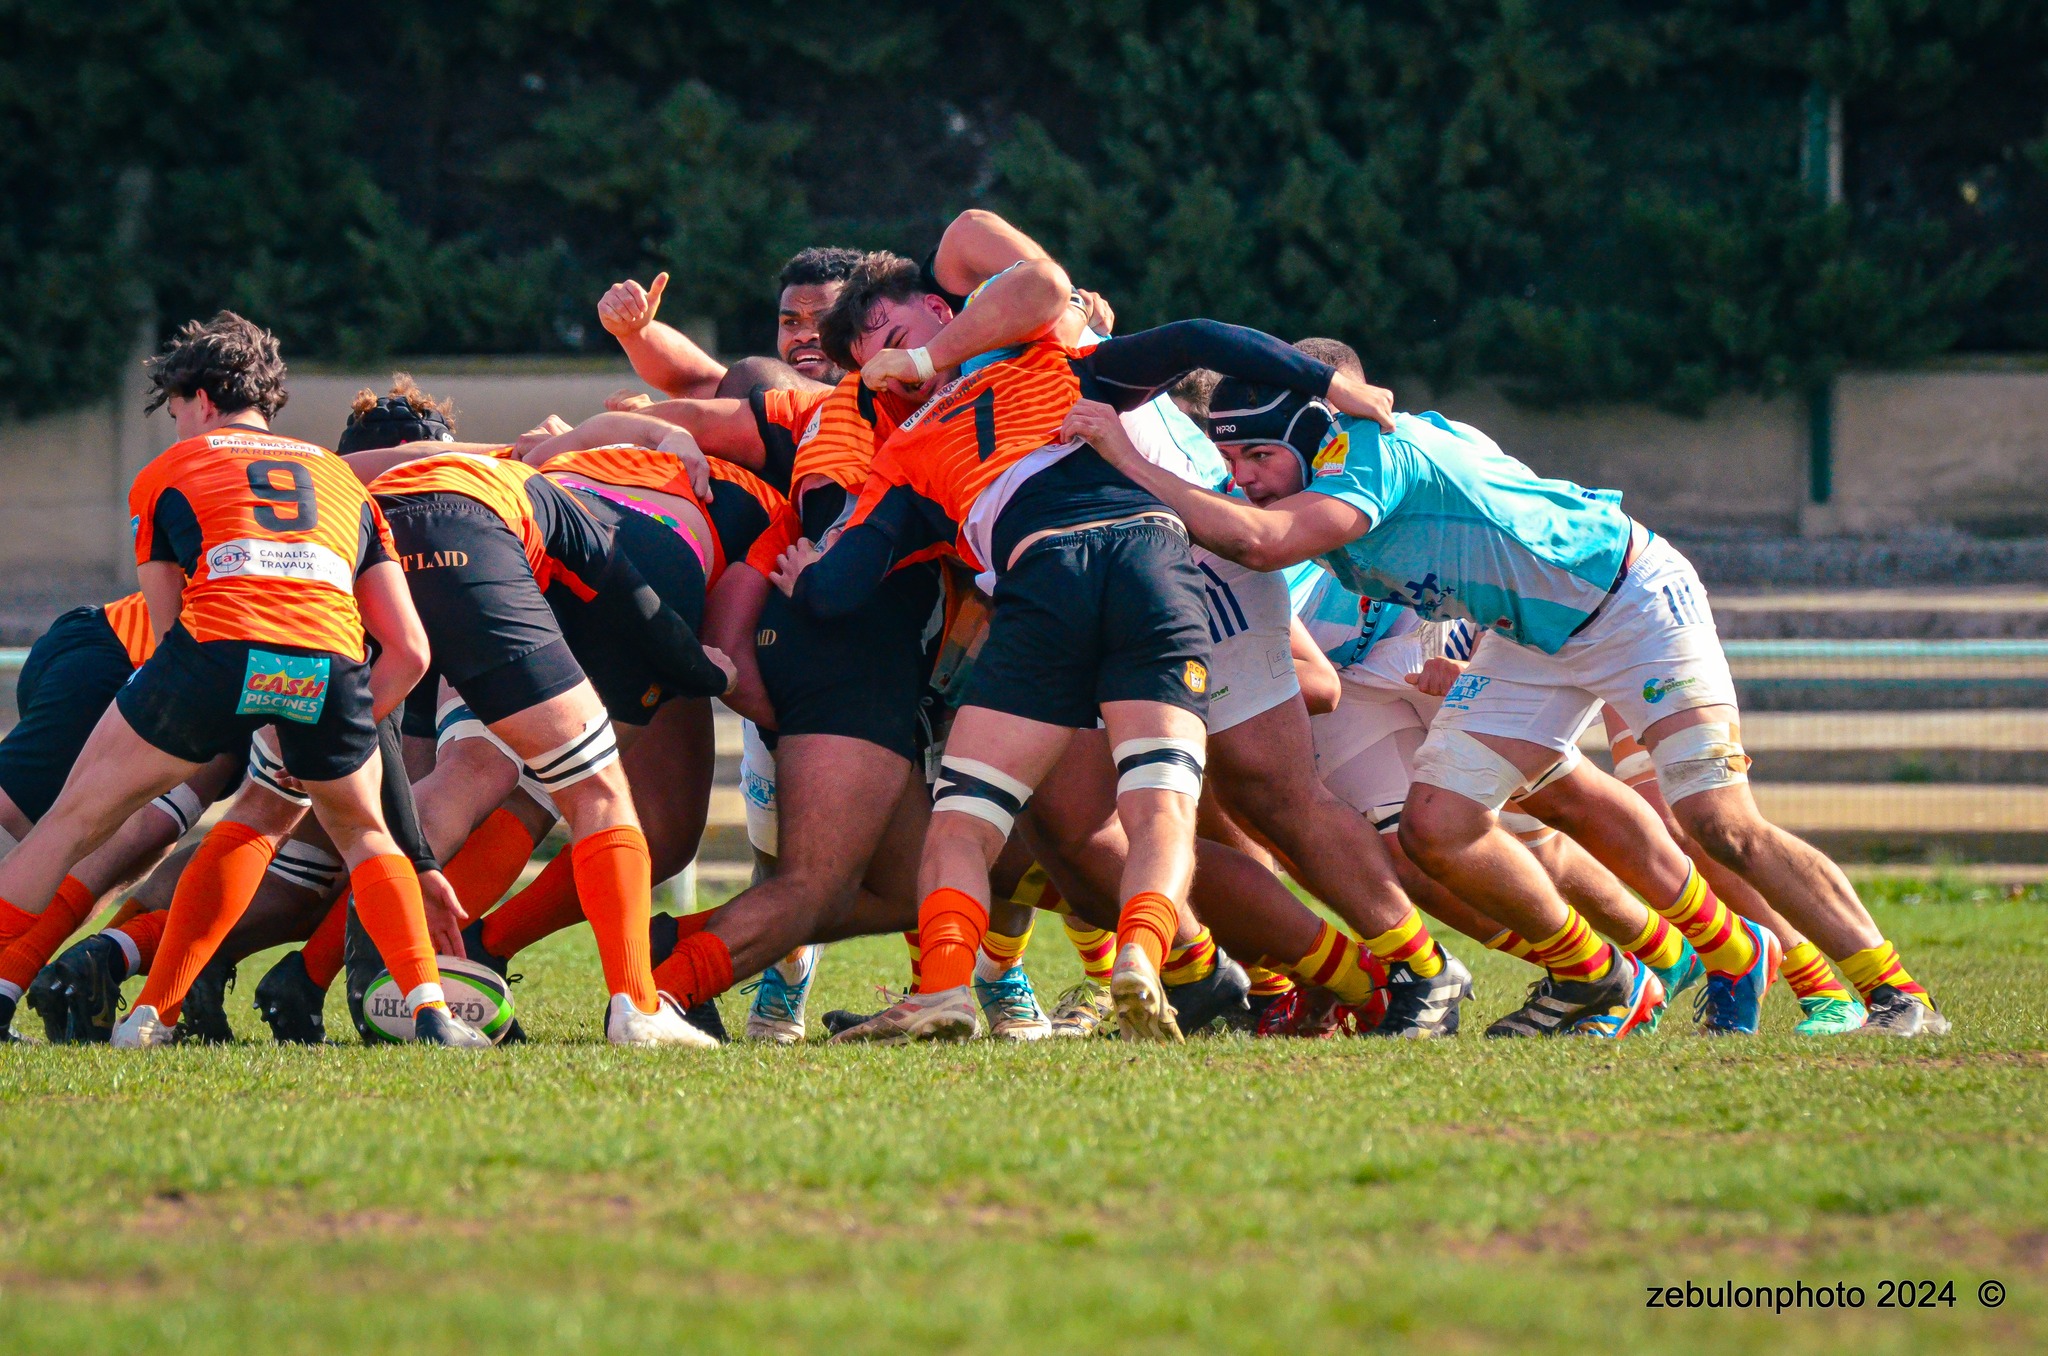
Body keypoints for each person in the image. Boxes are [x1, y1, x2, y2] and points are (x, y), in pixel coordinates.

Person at [1088, 368, 1947, 1037]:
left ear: (1311, 434)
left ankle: (1892, 990)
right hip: (1529, 639)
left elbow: (1259, 542)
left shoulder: (1368, 457)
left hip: (1632, 603)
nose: (1246, 480)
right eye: (1232, 463)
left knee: (1717, 821)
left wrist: (1125, 458)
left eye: (1258, 458)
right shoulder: (1328, 463)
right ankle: (1592, 977)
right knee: (1435, 828)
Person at [780, 255, 1395, 1042]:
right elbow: (1196, 336)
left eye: (892, 344)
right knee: (1156, 808)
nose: (894, 376)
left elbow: (836, 591)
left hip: (1047, 582)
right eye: (878, 374)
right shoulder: (1058, 360)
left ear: (939, 310)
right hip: (1158, 566)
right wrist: (1331, 385)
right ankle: (1143, 955)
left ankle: (945, 987)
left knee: (964, 820)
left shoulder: (917, 445)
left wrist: (807, 574)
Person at [0, 312, 483, 1048]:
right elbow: (409, 650)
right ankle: (431, 1014)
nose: (175, 426)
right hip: (324, 666)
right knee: (363, 834)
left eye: (173, 411)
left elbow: (168, 631)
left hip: (212, 654)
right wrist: (318, 726)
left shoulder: (168, 471)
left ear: (199, 399)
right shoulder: (340, 478)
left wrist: (205, 713)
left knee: (72, 823)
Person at [353, 446, 738, 1045]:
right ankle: (637, 1008)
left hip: (358, 547)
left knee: (314, 807)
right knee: (598, 788)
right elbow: (638, 604)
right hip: (470, 534)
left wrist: (421, 861)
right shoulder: (569, 507)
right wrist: (711, 674)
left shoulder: (452, 468)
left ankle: (367, 982)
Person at [599, 247, 865, 397]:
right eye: (791, 323)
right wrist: (635, 330)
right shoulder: (771, 400)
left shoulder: (885, 398)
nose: (804, 335)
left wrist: (650, 422)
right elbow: (695, 381)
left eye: (823, 320)